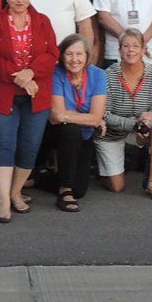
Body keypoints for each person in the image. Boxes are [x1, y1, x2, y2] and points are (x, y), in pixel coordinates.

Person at [0, 0, 58, 223]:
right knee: (4, 144)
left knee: (29, 144)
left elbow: (52, 54)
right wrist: (20, 77)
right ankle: (3, 200)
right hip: (4, 93)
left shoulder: (43, 21)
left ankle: (16, 192)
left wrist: (32, 73)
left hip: (37, 94)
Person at [98, 28, 152, 200]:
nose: (131, 50)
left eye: (136, 46)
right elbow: (104, 114)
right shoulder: (108, 75)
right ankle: (103, 166)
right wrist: (133, 124)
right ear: (120, 50)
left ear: (143, 50)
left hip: (141, 130)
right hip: (113, 133)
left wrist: (147, 122)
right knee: (116, 187)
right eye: (126, 46)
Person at [47, 34, 107, 213]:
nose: (74, 60)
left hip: (85, 134)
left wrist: (67, 115)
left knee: (80, 190)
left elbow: (96, 117)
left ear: (87, 56)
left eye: (79, 54)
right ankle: (65, 191)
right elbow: (56, 116)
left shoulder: (98, 75)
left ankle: (36, 179)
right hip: (56, 132)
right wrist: (88, 118)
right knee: (71, 130)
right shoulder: (56, 73)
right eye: (69, 54)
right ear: (61, 56)